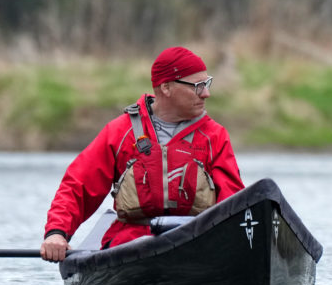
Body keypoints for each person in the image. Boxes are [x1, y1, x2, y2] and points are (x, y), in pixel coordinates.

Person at [40, 46, 245, 262]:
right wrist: (56, 233)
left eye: (207, 83)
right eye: (198, 86)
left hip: (196, 245)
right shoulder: (120, 132)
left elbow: (232, 202)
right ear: (166, 87)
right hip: (130, 248)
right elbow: (78, 186)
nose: (206, 93)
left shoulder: (215, 136)